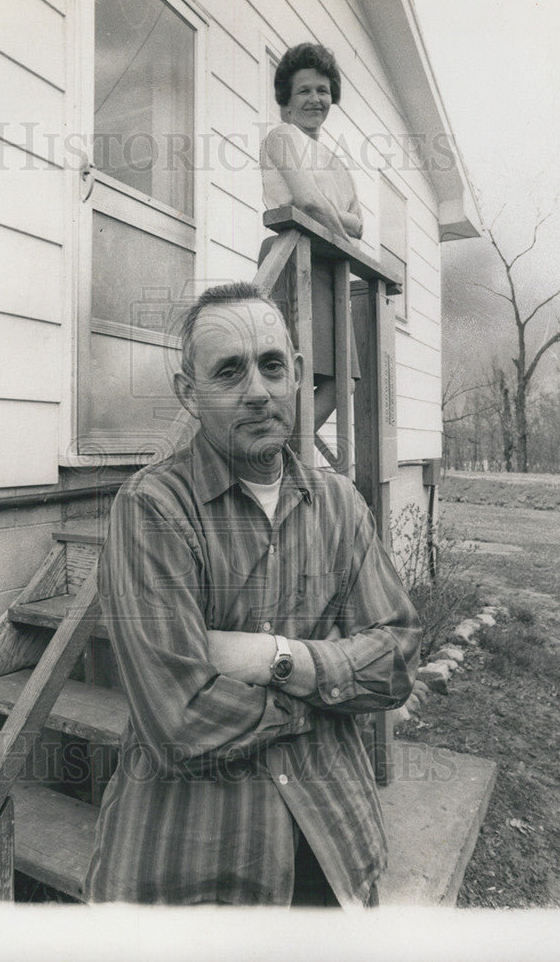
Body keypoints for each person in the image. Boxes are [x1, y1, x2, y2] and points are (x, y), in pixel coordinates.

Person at [84, 282, 421, 907]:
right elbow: (179, 722)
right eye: (230, 371)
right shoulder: (153, 509)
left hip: (333, 848)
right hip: (196, 870)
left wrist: (277, 659)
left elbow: (399, 658)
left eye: (271, 366)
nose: (258, 391)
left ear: (296, 375)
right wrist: (326, 693)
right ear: (190, 393)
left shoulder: (340, 505)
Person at [258, 42, 364, 432]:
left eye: (322, 90)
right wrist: (343, 234)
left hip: (328, 265)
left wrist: (329, 217)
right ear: (286, 101)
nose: (315, 99)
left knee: (343, 381)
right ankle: (280, 454)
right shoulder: (281, 137)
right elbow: (307, 203)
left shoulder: (336, 162)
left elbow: (360, 222)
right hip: (293, 257)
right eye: (304, 90)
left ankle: (280, 451)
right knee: (291, 371)